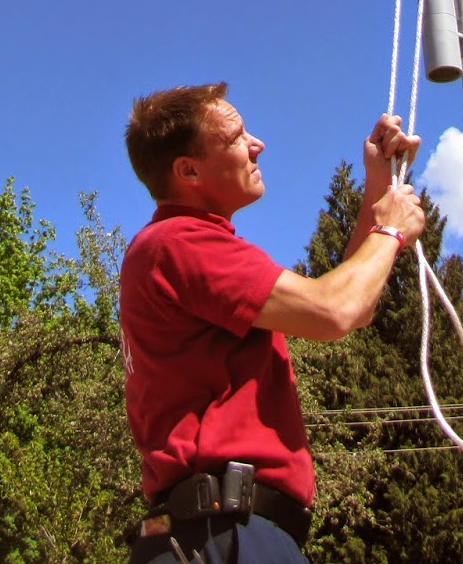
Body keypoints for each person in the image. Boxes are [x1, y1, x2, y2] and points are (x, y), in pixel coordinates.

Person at [120, 81, 424, 564]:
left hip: (219, 533)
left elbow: (353, 305)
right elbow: (334, 310)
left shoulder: (176, 246)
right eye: (237, 137)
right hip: (224, 536)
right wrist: (389, 230)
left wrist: (376, 183)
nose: (257, 144)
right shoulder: (179, 242)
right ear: (189, 170)